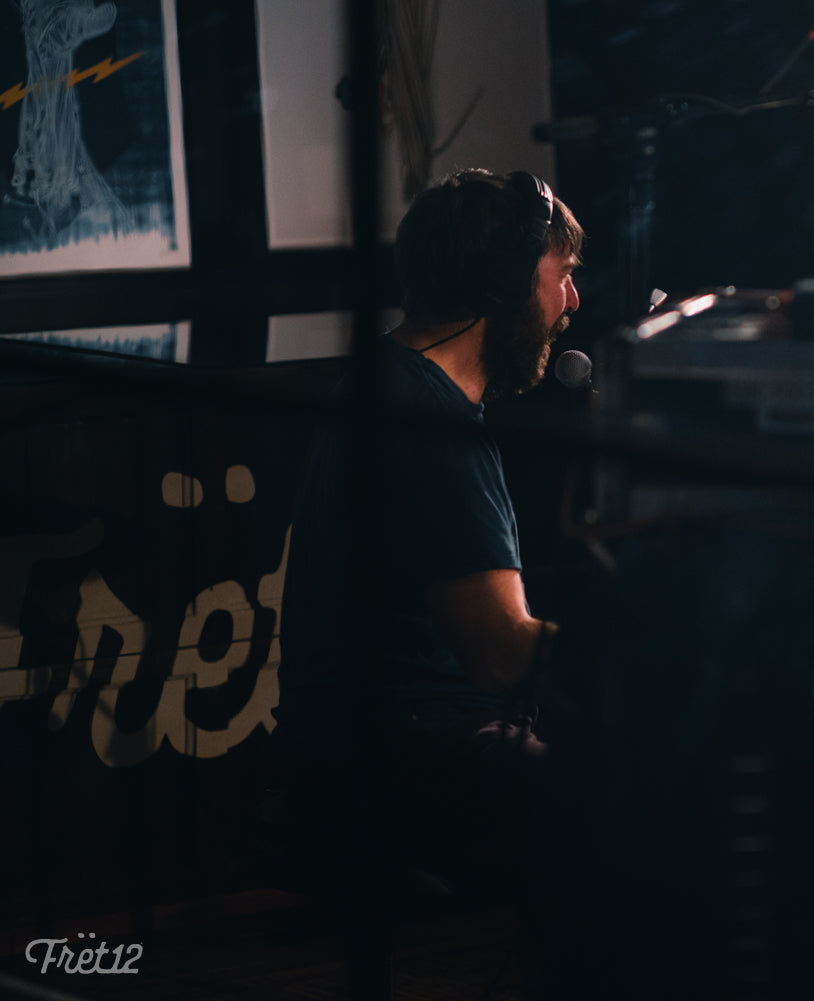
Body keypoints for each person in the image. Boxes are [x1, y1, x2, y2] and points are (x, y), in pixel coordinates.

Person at [270, 168, 589, 989]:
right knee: (655, 801)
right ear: (504, 284)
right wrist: (641, 648)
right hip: (410, 765)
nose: (571, 304)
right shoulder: (432, 426)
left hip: (359, 751)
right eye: (562, 276)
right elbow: (499, 655)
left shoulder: (392, 386)